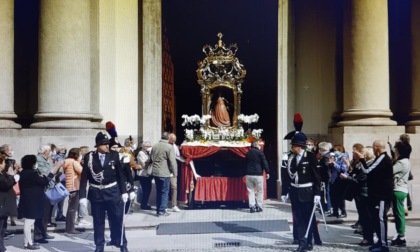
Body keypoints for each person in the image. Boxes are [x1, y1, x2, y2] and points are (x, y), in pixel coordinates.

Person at [79, 132, 128, 252]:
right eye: (104, 144)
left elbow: (120, 175)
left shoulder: (114, 155)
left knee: (117, 218)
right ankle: (99, 246)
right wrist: (82, 197)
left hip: (113, 192)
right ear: (97, 145)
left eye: (108, 144)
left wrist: (124, 191)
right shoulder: (89, 157)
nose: (107, 146)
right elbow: (84, 177)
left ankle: (122, 243)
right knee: (98, 222)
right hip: (96, 193)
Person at [354, 140, 394, 252]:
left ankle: (384, 245)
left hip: (382, 195)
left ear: (377, 148)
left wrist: (361, 159)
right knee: (376, 218)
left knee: (381, 219)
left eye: (373, 147)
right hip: (377, 194)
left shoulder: (383, 158)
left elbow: (367, 170)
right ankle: (380, 242)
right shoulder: (381, 158)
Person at [287, 132, 321, 252]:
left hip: (307, 192)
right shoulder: (291, 157)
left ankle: (309, 240)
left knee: (308, 218)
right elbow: (288, 175)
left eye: (293, 145)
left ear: (299, 146)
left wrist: (317, 194)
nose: (291, 147)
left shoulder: (310, 157)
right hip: (295, 191)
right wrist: (286, 191)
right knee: (299, 218)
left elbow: (317, 177)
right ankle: (302, 243)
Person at [19, 155, 58, 250]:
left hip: (27, 200)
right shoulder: (32, 174)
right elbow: (44, 182)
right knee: (29, 222)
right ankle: (28, 243)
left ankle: (27, 242)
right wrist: (51, 173)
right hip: (32, 201)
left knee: (29, 222)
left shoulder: (23, 173)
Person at [341, 144, 374, 246]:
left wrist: (347, 178)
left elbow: (360, 180)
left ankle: (368, 238)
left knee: (366, 217)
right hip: (360, 193)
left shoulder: (367, 164)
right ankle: (366, 237)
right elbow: (354, 174)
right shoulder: (361, 163)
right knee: (363, 216)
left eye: (362, 153)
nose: (359, 155)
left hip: (364, 193)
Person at [150, 132, 177, 217]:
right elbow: (173, 161)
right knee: (164, 192)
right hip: (164, 172)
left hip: (155, 172)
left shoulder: (155, 146)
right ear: (168, 138)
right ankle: (162, 211)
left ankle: (158, 209)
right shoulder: (169, 147)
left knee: (159, 191)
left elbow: (151, 158)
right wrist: (175, 173)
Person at [390, 141, 411, 247]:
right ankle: (400, 235)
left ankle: (401, 237)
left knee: (399, 215)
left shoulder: (401, 162)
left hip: (398, 190)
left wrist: (393, 159)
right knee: (399, 214)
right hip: (401, 190)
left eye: (396, 149)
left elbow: (390, 171)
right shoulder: (405, 161)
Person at [34, 145, 56, 243]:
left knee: (46, 214)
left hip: (49, 188)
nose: (51, 152)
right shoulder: (38, 159)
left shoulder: (47, 159)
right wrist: (54, 169)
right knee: (41, 214)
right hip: (43, 189)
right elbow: (44, 173)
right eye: (50, 151)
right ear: (46, 151)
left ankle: (44, 232)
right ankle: (38, 235)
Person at [245, 140, 269, 213]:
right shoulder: (260, 152)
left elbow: (245, 162)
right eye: (259, 144)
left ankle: (252, 206)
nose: (260, 146)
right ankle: (259, 206)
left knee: (250, 191)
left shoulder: (248, 153)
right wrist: (267, 171)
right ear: (256, 145)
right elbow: (264, 162)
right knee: (260, 191)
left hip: (249, 174)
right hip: (258, 174)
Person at [0, 156, 19, 252]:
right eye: (3, 163)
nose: (4, 164)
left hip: (5, 203)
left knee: (3, 226)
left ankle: (1, 244)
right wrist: (13, 177)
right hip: (2, 203)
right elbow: (6, 184)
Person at [63, 148, 83, 234]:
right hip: (75, 186)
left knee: (71, 208)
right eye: (80, 154)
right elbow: (82, 171)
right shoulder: (74, 162)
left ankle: (69, 227)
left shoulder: (67, 161)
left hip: (70, 186)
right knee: (73, 208)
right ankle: (70, 228)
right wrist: (79, 162)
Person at [328, 144, 349, 218]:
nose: (335, 152)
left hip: (340, 180)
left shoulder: (343, 157)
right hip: (333, 179)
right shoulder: (336, 158)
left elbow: (342, 169)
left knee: (340, 197)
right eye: (334, 150)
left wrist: (334, 164)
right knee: (333, 196)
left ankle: (343, 212)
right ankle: (335, 211)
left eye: (336, 150)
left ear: (340, 150)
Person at [168, 133, 183, 212]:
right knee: (164, 188)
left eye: (174, 140)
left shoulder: (174, 146)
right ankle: (162, 205)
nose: (173, 141)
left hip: (172, 171)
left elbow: (177, 156)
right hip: (164, 170)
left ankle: (174, 205)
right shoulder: (165, 146)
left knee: (174, 187)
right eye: (172, 139)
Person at [136, 141, 153, 210]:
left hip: (148, 174)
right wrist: (151, 158)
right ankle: (143, 205)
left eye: (150, 146)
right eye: (147, 146)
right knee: (146, 189)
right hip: (143, 174)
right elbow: (144, 164)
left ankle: (145, 203)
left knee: (148, 189)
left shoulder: (148, 153)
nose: (149, 148)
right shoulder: (141, 153)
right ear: (143, 147)